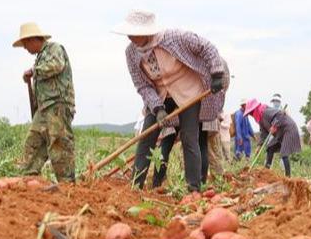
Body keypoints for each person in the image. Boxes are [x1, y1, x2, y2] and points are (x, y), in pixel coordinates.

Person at [113, 10, 228, 192]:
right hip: (159, 95)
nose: (130, 37)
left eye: (135, 33)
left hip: (188, 92)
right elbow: (142, 85)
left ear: (147, 32)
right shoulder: (131, 53)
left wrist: (216, 73)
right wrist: (157, 108)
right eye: (129, 32)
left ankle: (193, 189)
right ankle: (135, 188)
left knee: (190, 138)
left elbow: (208, 48)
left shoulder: (175, 38)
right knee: (146, 139)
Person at [13, 22, 76, 182]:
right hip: (43, 109)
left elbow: (56, 65)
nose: (26, 48)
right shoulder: (40, 57)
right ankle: (27, 180)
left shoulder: (54, 49)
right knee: (33, 143)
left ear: (34, 39)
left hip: (57, 106)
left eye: (26, 44)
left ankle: (67, 185)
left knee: (59, 146)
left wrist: (34, 71)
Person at [244, 98, 301, 176]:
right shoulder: (260, 119)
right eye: (249, 113)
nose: (251, 115)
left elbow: (280, 114)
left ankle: (288, 177)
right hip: (280, 133)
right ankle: (266, 172)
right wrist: (259, 146)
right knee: (270, 148)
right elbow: (264, 134)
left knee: (284, 153)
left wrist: (275, 125)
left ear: (255, 109)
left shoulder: (265, 111)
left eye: (251, 112)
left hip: (288, 130)